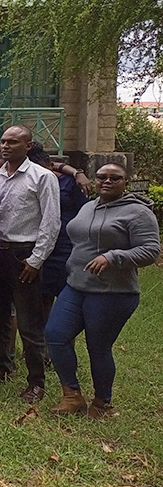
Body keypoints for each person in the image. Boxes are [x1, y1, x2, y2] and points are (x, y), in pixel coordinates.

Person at [45, 163, 160, 417]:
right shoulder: (89, 206)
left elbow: (151, 250)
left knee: (98, 346)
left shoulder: (138, 213)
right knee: (55, 334)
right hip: (76, 285)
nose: (107, 181)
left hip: (113, 292)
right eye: (101, 177)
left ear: (125, 182)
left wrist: (113, 256)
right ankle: (72, 396)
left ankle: (102, 403)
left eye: (114, 178)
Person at [0, 125, 60, 403]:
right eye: (3, 141)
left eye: (13, 142)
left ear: (28, 146)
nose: (6, 146)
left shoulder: (42, 177)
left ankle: (36, 382)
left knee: (29, 323)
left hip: (24, 255)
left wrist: (37, 259)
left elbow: (51, 222)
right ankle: (3, 366)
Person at [27, 143, 88, 324]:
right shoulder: (29, 179)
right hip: (39, 245)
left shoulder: (70, 183)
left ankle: (62, 338)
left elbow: (85, 213)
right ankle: (42, 343)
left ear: (50, 165)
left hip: (65, 245)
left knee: (65, 297)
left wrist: (77, 172)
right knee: (40, 297)